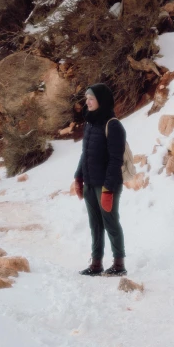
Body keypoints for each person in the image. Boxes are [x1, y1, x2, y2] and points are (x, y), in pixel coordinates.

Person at [71, 83, 127, 277]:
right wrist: (78, 177)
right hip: (90, 182)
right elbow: (85, 153)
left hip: (105, 185)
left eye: (91, 98)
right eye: (87, 98)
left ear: (101, 101)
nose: (87, 101)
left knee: (110, 222)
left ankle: (119, 264)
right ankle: (96, 264)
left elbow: (115, 160)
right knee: (95, 224)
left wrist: (108, 189)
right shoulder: (90, 123)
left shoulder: (113, 125)